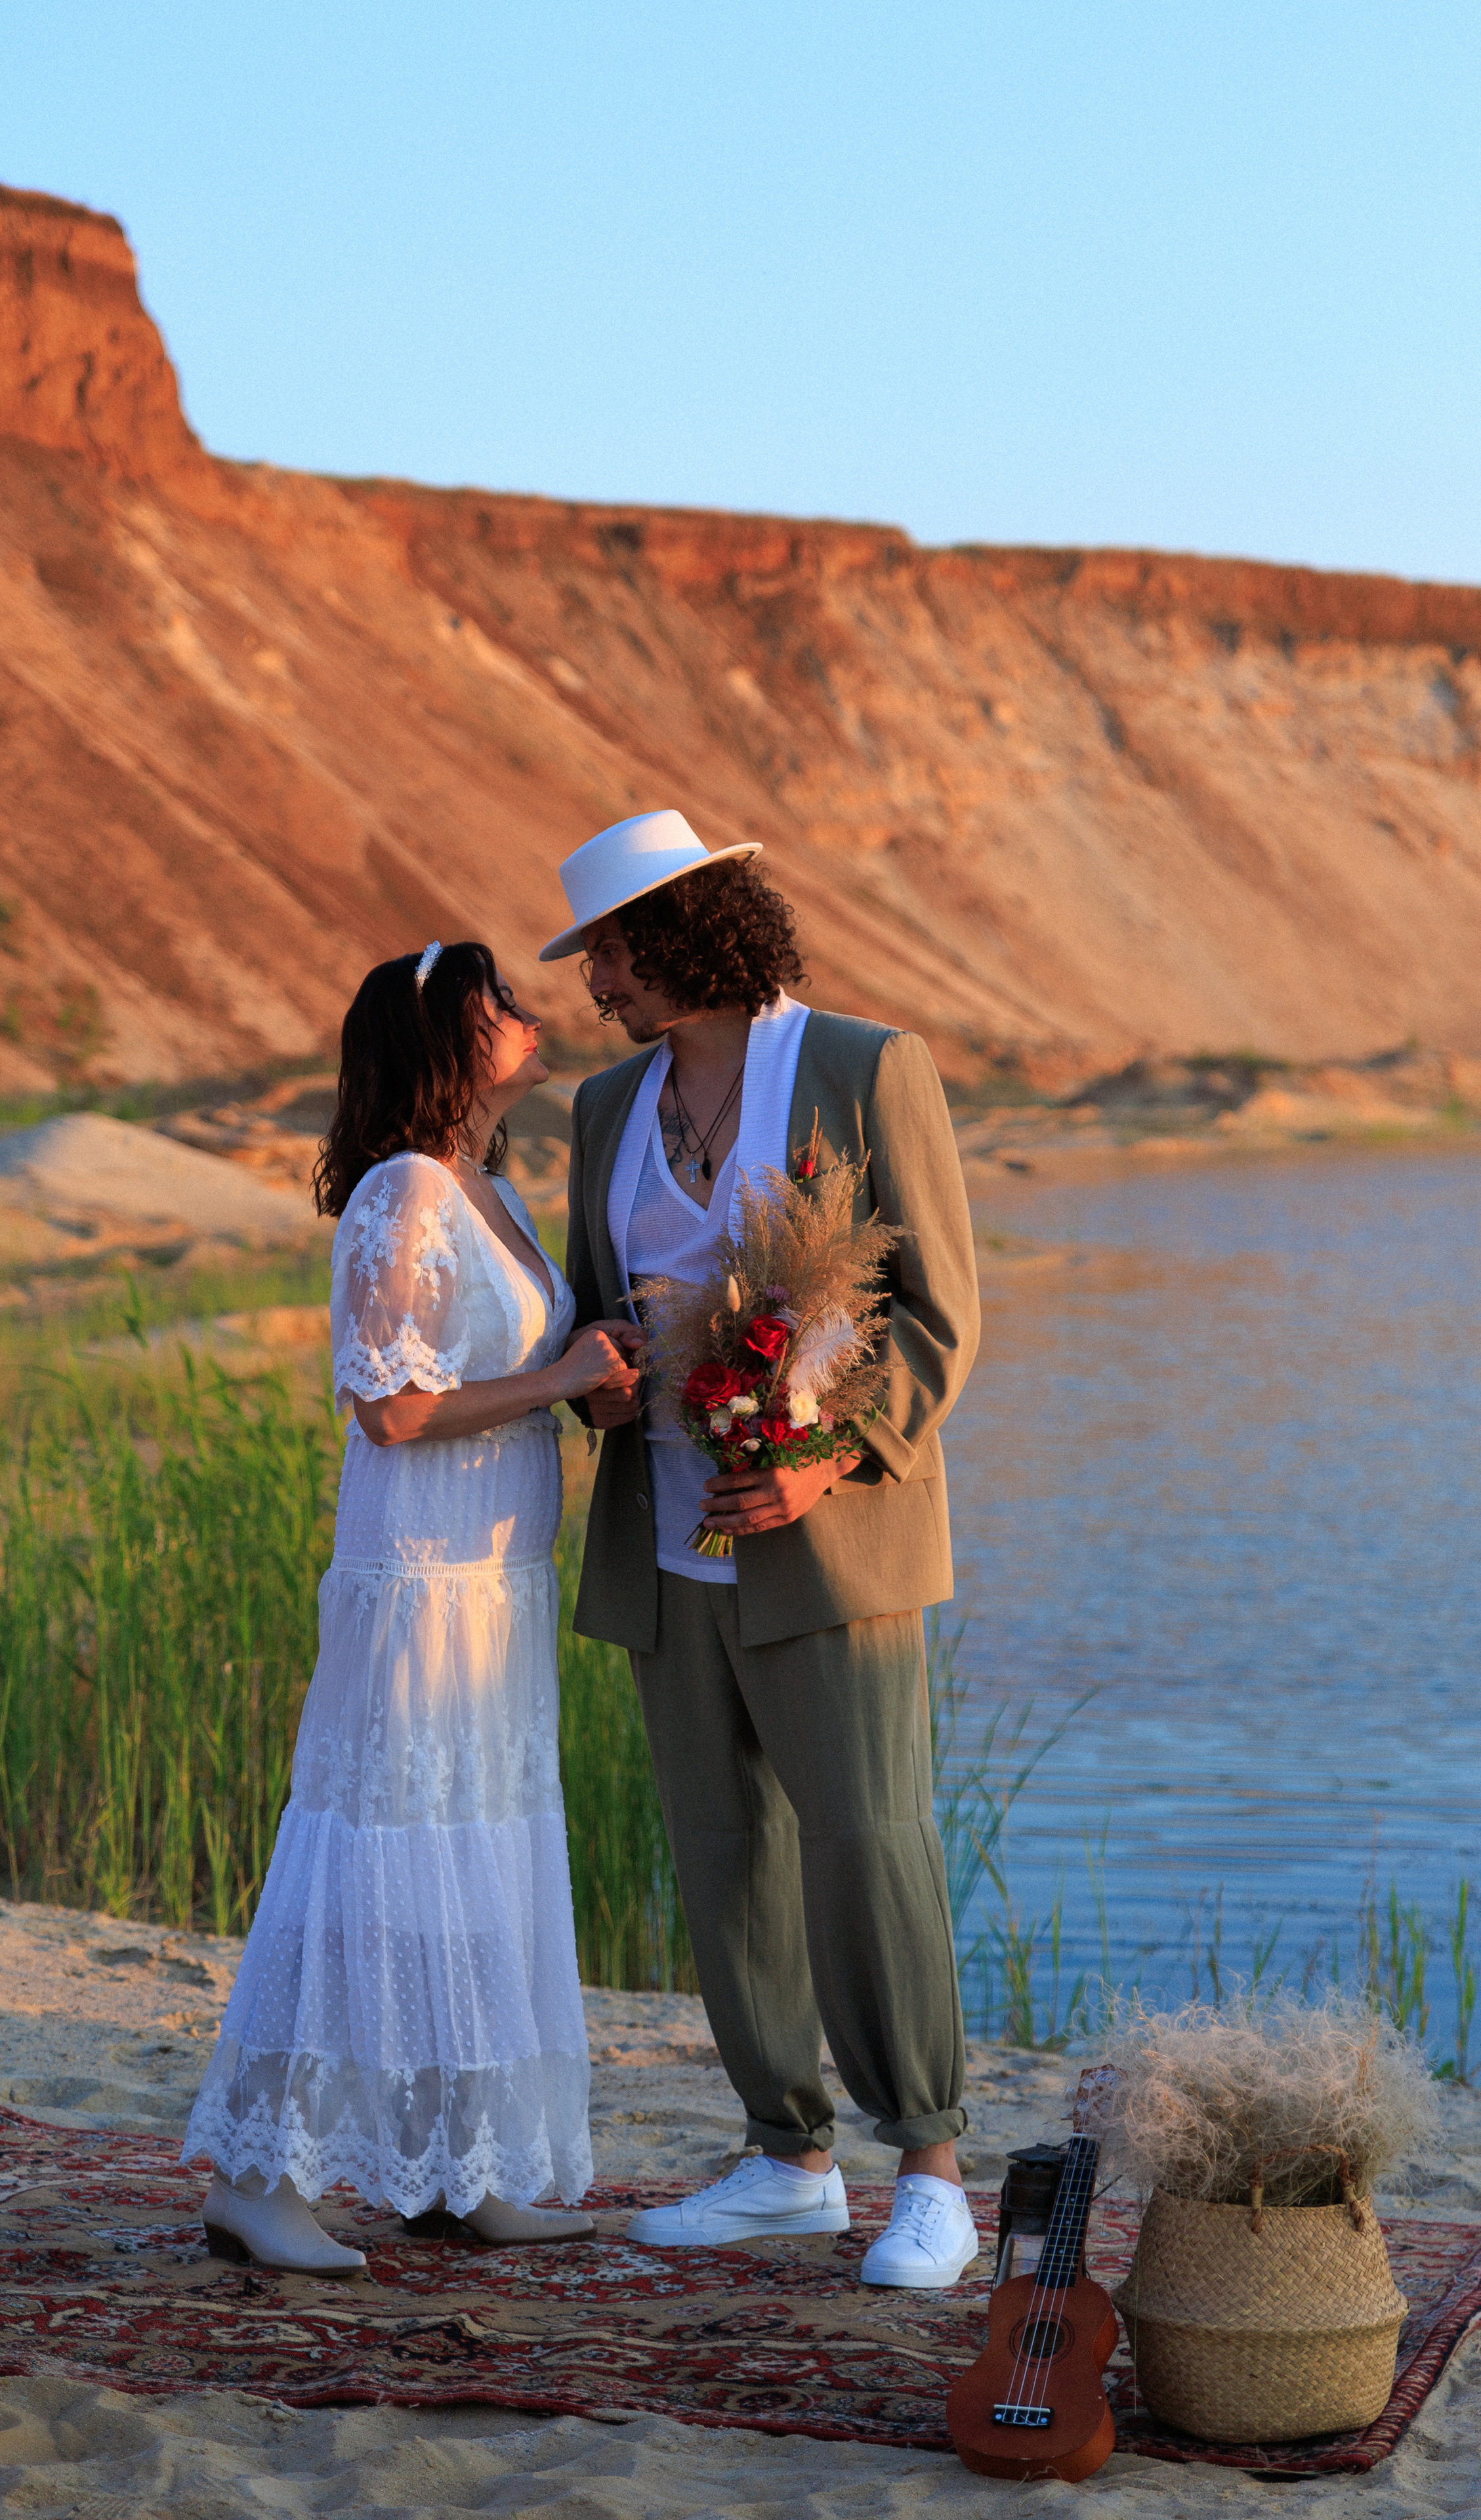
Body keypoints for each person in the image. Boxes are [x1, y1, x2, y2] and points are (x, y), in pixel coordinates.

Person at [542, 810, 983, 2289]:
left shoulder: (864, 1066)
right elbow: (596, 1307)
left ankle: (929, 2168)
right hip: (664, 1546)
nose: (596, 981)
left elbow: (937, 1313)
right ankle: (787, 2160)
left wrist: (822, 1464)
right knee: (722, 1853)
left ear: (684, 932)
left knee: (870, 1844)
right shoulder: (606, 1106)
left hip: (831, 1542)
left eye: (609, 950)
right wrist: (596, 1380)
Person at [182, 940, 640, 2273]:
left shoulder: (490, 1186)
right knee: (372, 1858)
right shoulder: (402, 1191)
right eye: (501, 1003)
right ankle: (258, 2178)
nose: (530, 1014)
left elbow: (508, 1369)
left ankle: (458, 2170)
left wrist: (601, 1380)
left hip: (496, 1588)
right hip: (420, 1584)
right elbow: (390, 1408)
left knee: (474, 1859)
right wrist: (560, 1379)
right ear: (444, 1039)